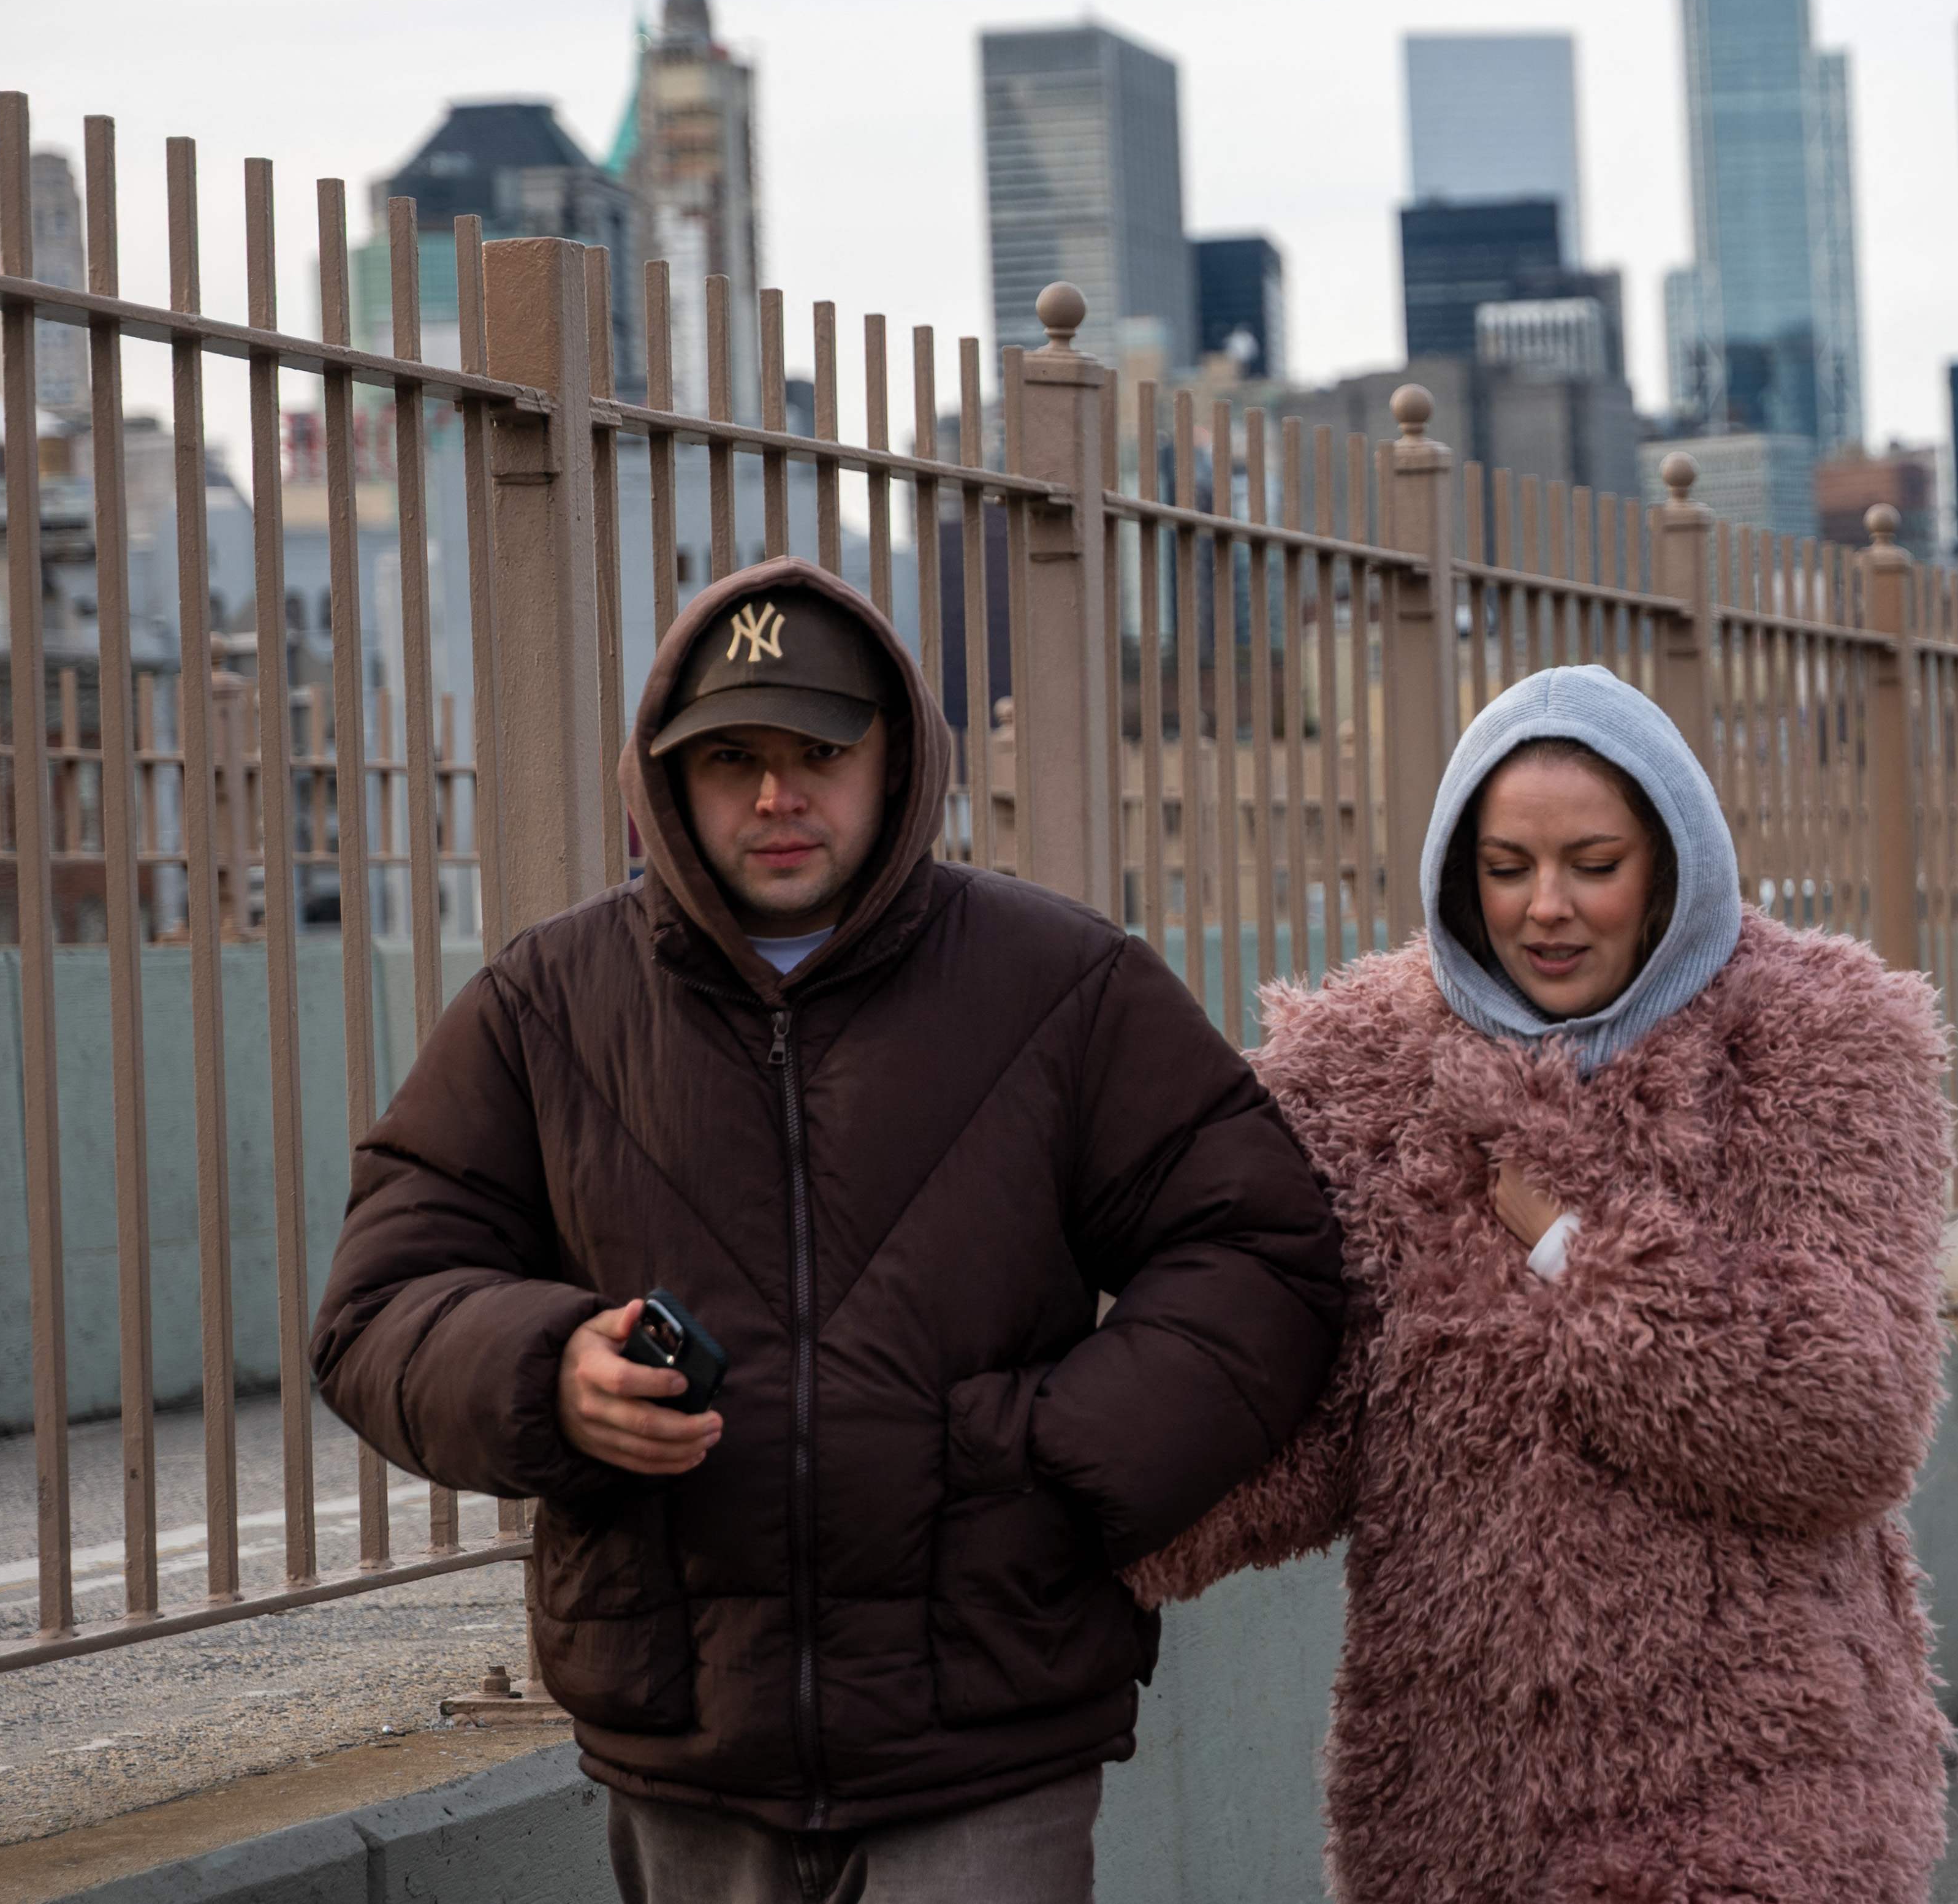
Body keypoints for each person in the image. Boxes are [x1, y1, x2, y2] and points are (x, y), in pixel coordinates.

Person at [311, 560, 1345, 1902]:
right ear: (664, 780)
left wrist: (1041, 1452)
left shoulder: (1063, 983)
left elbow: (1262, 1254)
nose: (776, 794)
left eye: (820, 749)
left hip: (985, 1732)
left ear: (898, 755)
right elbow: (381, 1298)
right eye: (732, 755)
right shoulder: (545, 1002)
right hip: (683, 1727)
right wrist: (550, 1369)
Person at [1124, 666, 1955, 1904]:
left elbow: (1843, 1421)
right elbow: (1301, 1421)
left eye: (1593, 861)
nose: (1547, 907)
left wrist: (1562, 1235)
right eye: (1507, 866)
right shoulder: (1364, 1068)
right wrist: (1063, 1493)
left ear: (1669, 862)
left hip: (1756, 1782)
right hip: (1460, 1797)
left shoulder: (1815, 1037)